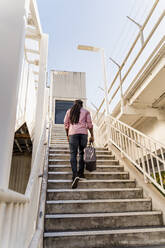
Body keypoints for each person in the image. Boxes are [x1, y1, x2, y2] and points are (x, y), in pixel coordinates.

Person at [64, 99, 94, 189]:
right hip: (83, 134)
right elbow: (90, 125)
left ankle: (75, 175)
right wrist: (92, 135)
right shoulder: (86, 112)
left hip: (72, 134)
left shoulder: (69, 111)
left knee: (73, 154)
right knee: (82, 153)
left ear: (74, 104)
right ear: (82, 105)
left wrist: (67, 135)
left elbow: (66, 124)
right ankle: (81, 174)